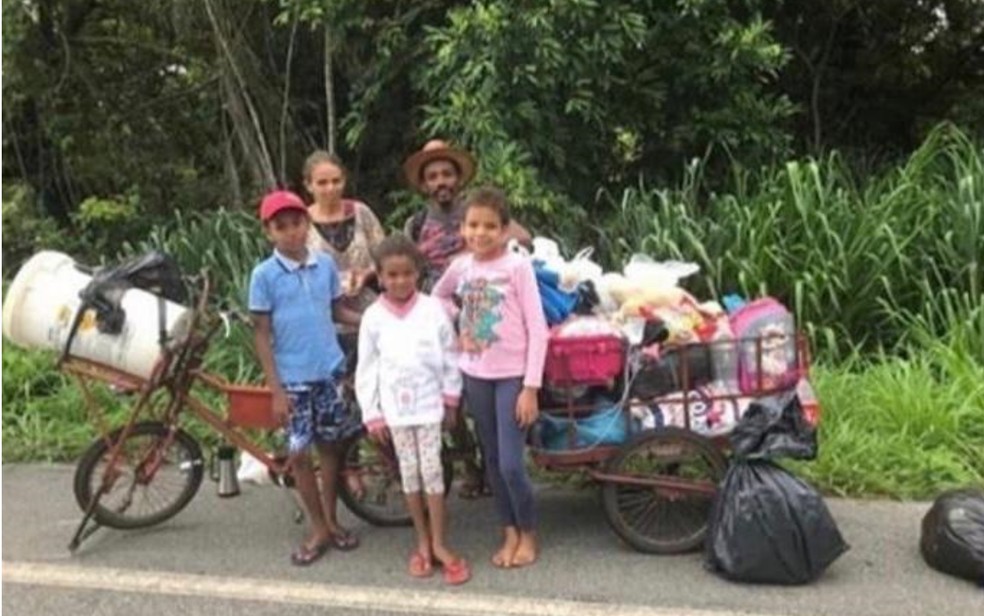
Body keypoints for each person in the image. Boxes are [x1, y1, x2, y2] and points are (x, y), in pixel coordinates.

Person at [401, 138, 530, 500]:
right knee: (448, 391)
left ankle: (499, 467)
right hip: (439, 316)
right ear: (424, 184)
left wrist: (473, 250)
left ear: (457, 179)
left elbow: (523, 236)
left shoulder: (477, 213)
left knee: (484, 396)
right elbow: (404, 265)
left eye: (447, 174)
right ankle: (471, 465)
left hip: (485, 315)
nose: (441, 181)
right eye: (433, 176)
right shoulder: (416, 224)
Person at [432, 186, 549, 569]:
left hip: (512, 377)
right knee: (493, 459)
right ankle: (508, 530)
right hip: (475, 374)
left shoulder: (517, 267)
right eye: (472, 225)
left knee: (513, 464)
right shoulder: (462, 266)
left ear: (504, 230)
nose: (479, 233)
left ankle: (528, 531)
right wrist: (457, 322)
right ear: (463, 227)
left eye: (489, 226)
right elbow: (439, 296)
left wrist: (530, 387)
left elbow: (538, 327)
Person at [249, 189, 363, 566]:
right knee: (299, 454)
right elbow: (262, 334)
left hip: (329, 371)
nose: (291, 232)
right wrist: (275, 389)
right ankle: (316, 528)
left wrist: (376, 321)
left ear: (306, 224)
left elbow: (338, 311)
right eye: (281, 227)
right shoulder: (264, 275)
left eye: (296, 223)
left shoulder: (325, 266)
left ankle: (331, 521)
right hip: (293, 379)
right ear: (269, 232)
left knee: (331, 449)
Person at [355, 233, 472, 585]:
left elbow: (451, 355)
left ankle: (440, 543)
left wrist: (451, 399)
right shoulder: (373, 317)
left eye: (407, 273)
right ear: (379, 276)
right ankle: (421, 541)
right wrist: (372, 413)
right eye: (391, 275)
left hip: (429, 406)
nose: (400, 281)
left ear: (418, 273)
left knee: (433, 472)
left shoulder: (433, 309)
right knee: (409, 474)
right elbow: (367, 368)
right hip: (396, 411)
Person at [304, 150, 386, 346]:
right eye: (322, 183)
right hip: (324, 319)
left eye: (336, 181)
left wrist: (367, 274)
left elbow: (386, 258)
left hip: (370, 312)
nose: (330, 188)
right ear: (308, 185)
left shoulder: (361, 213)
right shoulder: (302, 222)